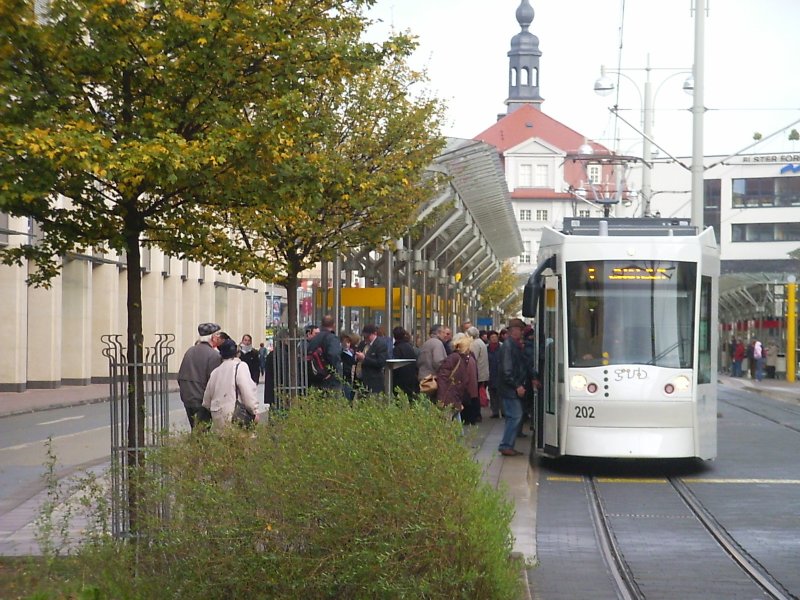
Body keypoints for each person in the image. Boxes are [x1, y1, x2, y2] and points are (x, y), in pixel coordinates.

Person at [202, 339, 260, 431]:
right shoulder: (240, 366)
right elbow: (247, 392)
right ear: (237, 353)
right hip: (236, 417)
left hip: (218, 419)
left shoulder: (215, 372)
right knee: (242, 443)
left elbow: (206, 401)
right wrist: (254, 411)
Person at [177, 322, 223, 429]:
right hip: (202, 400)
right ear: (212, 337)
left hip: (188, 398)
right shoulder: (214, 355)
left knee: (195, 429)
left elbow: (180, 376)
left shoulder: (190, 351)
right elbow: (214, 382)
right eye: (217, 335)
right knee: (202, 432)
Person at [497, 318, 529, 457]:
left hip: (510, 387)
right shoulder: (509, 346)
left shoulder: (511, 344)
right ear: (514, 330)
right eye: (520, 330)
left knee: (513, 416)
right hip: (510, 389)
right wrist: (517, 386)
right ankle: (506, 445)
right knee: (515, 415)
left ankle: (507, 445)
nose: (522, 333)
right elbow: (507, 370)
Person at [434, 333, 478, 420]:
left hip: (453, 398)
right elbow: (443, 378)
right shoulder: (456, 358)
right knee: (451, 428)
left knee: (453, 428)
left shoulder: (459, 358)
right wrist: (442, 400)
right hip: (450, 399)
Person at [306, 314, 343, 391]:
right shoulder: (332, 338)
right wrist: (333, 371)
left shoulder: (314, 339)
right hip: (330, 381)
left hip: (316, 377)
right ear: (334, 325)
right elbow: (334, 354)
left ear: (321, 324)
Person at [355, 324, 389, 394]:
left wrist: (364, 358)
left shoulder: (381, 345)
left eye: (367, 336)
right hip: (361, 379)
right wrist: (356, 358)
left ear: (374, 334)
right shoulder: (362, 344)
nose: (365, 338)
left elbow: (380, 362)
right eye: (364, 336)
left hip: (374, 381)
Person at [466, 326, 489, 424]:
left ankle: (476, 414)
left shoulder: (475, 344)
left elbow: (471, 357)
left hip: (477, 373)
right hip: (482, 372)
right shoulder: (481, 342)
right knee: (477, 394)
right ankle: (477, 414)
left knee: (474, 395)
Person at [392, 326, 419, 399]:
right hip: (411, 378)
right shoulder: (410, 347)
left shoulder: (397, 349)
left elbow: (395, 366)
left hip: (400, 379)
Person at [486, 330, 503, 418]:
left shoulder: (502, 347)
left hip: (500, 373)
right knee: (492, 393)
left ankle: (503, 411)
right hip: (491, 373)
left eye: (495, 337)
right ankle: (495, 411)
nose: (494, 339)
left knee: (501, 393)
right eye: (492, 337)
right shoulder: (487, 349)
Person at [340, 333, 357, 400]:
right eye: (345, 342)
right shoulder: (341, 354)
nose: (347, 344)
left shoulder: (352, 352)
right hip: (346, 377)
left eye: (348, 342)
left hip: (351, 378)